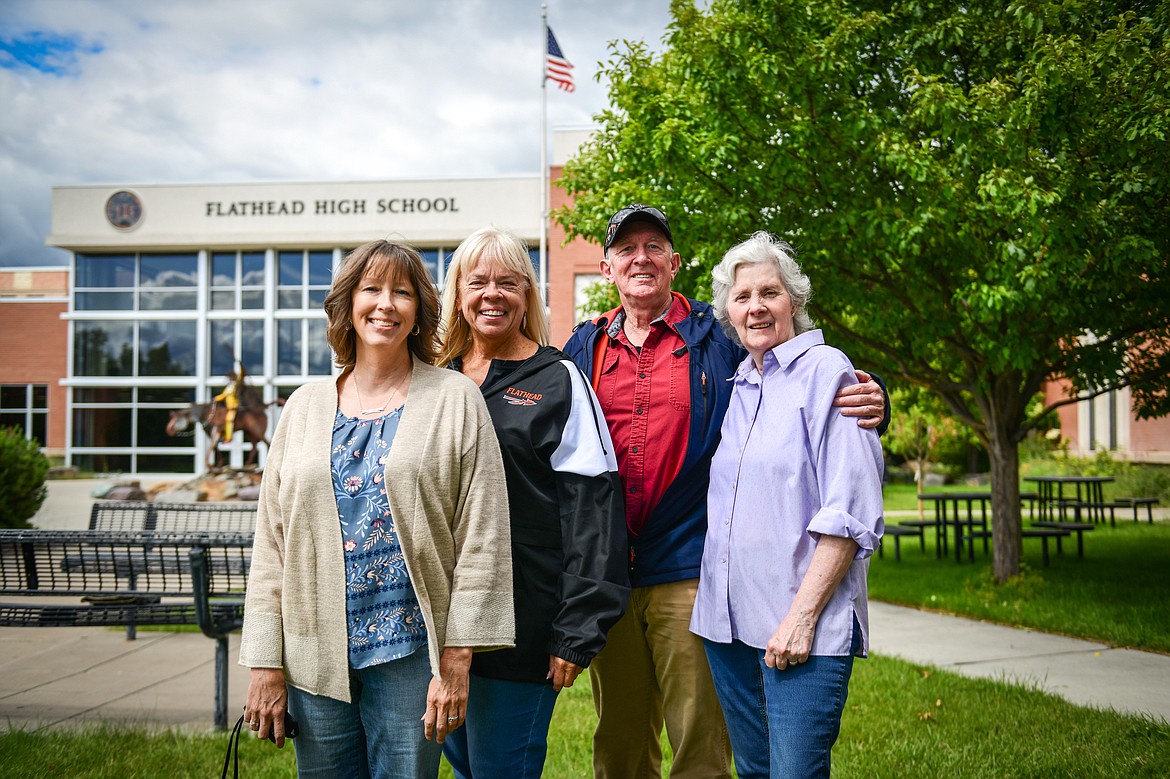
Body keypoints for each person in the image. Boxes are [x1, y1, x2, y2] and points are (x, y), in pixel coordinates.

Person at [563, 204, 888, 779]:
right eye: (626, 249)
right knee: (619, 739)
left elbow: (794, 369)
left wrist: (872, 394)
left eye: (654, 248)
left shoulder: (719, 340)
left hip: (688, 569)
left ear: (674, 264)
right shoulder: (583, 348)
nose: (641, 258)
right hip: (610, 572)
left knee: (700, 742)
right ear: (607, 267)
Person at [239, 239, 514, 778]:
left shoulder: (455, 398)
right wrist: (265, 662)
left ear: (419, 312)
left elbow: (483, 534)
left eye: (402, 292)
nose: (385, 304)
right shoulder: (302, 407)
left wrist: (456, 660)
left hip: (409, 652)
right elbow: (272, 546)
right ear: (348, 304)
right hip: (312, 649)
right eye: (371, 289)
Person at [436, 226, 629, 778]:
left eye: (508, 283)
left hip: (524, 623)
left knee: (502, 768)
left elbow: (595, 512)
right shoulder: (433, 378)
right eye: (478, 282)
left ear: (527, 296)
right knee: (464, 766)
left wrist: (577, 629)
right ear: (457, 293)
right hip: (436, 622)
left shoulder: (558, 379)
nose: (492, 294)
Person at [691, 231, 884, 777]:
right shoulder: (742, 382)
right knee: (754, 771)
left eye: (769, 292)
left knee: (795, 772)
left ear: (793, 302)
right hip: (728, 628)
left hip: (800, 630)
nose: (756, 307)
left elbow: (848, 512)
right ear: (728, 311)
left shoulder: (827, 372)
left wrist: (799, 619)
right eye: (742, 295)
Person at [212, 368, 243, 440]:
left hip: (234, 407)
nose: (230, 379)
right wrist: (216, 399)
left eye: (230, 377)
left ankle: (228, 437)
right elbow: (223, 395)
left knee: (229, 420)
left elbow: (240, 377)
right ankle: (222, 434)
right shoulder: (229, 387)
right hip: (228, 408)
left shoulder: (237, 386)